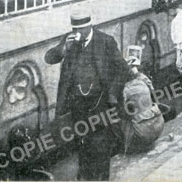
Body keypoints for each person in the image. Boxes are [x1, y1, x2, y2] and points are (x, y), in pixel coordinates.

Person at [44, 13, 131, 181]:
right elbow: (49, 58)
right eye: (74, 28)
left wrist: (113, 94)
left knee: (101, 143)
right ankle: (84, 176)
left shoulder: (105, 41)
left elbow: (122, 69)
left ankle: (101, 178)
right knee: (81, 141)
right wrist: (63, 49)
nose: (77, 32)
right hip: (77, 103)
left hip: (100, 101)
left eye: (80, 29)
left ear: (90, 26)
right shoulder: (69, 41)